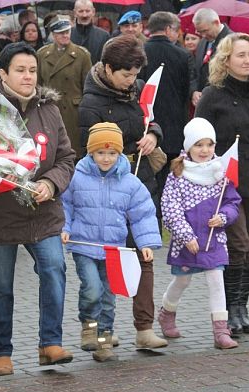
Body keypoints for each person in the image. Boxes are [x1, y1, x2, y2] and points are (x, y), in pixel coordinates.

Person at [0, 42, 76, 375]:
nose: (28, 76)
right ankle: (0, 351)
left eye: (32, 70)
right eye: (20, 70)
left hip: (42, 212)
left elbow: (66, 158)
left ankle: (50, 344)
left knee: (54, 269)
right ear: (3, 73)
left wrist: (51, 183)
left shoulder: (50, 109)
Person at [79, 35, 168, 349]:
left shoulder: (139, 90)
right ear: (107, 68)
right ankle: (98, 330)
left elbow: (152, 120)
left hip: (141, 183)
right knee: (106, 265)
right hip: (106, 191)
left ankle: (144, 329)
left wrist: (154, 136)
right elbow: (87, 151)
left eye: (135, 74)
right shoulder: (90, 103)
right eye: (125, 75)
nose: (132, 80)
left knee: (144, 255)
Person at [194, 33, 249, 336]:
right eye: (240, 55)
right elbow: (198, 136)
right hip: (227, 180)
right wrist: (209, 168)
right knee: (238, 243)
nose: (247, 60)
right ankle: (230, 310)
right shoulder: (213, 93)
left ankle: (242, 307)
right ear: (226, 59)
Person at [61, 122, 162, 362]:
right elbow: (64, 204)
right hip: (85, 247)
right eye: (100, 153)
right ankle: (89, 326)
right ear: (90, 153)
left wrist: (145, 242)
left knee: (108, 298)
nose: (106, 159)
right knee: (93, 289)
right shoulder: (76, 177)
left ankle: (104, 343)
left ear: (120, 154)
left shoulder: (129, 182)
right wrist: (65, 228)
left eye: (112, 153)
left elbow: (143, 213)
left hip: (113, 250)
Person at [159, 117, 241, 349]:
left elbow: (232, 202)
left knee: (216, 280)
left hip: (214, 239)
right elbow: (170, 208)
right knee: (182, 280)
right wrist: (186, 236)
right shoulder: (177, 174)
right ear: (188, 147)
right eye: (198, 145)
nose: (205, 150)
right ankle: (167, 312)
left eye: (209, 145)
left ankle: (221, 331)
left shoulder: (221, 173)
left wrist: (224, 217)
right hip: (187, 242)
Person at [139, 11, 192, 200]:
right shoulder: (183, 55)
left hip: (146, 125)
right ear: (169, 29)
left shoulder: (139, 52)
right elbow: (187, 91)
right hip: (174, 125)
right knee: (168, 179)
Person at [37, 15, 92, 158]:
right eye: (61, 33)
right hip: (50, 108)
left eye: (67, 32)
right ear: (53, 35)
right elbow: (38, 83)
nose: (65, 35)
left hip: (73, 112)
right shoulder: (42, 54)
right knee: (52, 149)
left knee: (73, 151)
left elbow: (88, 87)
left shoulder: (81, 55)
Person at [191, 8, 233, 108]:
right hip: (204, 103)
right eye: (199, 32)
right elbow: (196, 71)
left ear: (216, 22)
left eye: (205, 31)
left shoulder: (233, 41)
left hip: (224, 104)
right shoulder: (202, 42)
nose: (203, 35)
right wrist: (194, 92)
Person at [71, 0, 110, 65]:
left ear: (93, 12)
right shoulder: (67, 34)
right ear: (75, 13)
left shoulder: (104, 36)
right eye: (81, 11)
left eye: (87, 11)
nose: (84, 15)